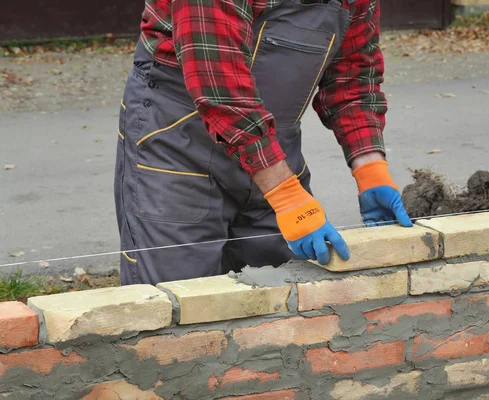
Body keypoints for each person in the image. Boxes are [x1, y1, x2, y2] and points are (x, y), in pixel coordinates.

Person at [114, 0, 413, 286]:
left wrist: (370, 169)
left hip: (273, 152)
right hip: (179, 143)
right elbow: (219, 80)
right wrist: (286, 196)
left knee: (283, 302)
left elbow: (353, 76)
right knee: (179, 302)